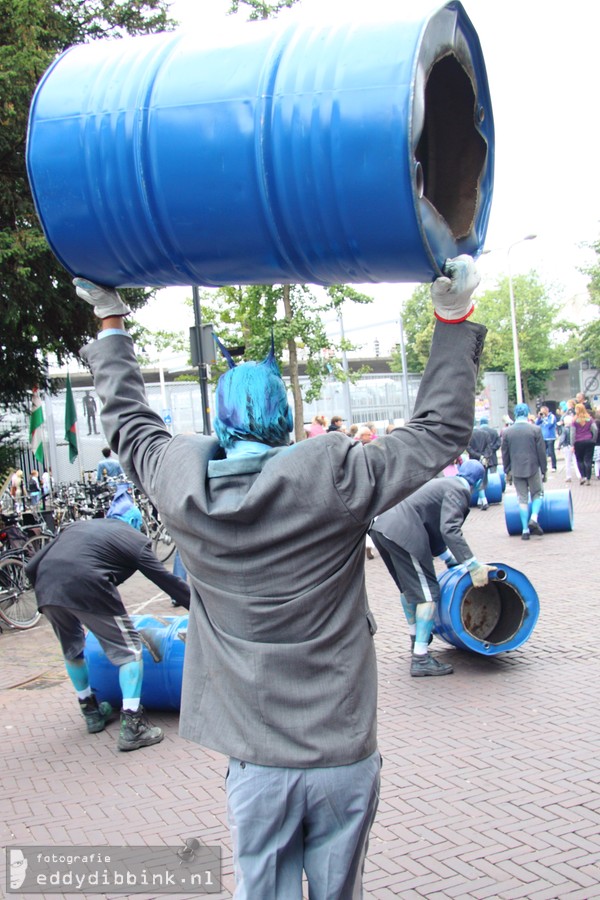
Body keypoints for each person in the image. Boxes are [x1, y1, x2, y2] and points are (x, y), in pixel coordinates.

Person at [73, 254, 486, 897]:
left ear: (222, 422)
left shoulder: (178, 486)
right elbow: (439, 431)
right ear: (284, 422)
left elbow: (128, 424)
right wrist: (452, 317)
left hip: (256, 758)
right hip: (342, 749)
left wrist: (110, 319)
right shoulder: (336, 476)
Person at [25, 518, 190, 750]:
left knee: (72, 649)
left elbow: (30, 566)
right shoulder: (138, 542)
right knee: (130, 649)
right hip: (88, 583)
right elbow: (167, 581)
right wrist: (199, 608)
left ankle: (91, 711)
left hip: (46, 585)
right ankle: (133, 726)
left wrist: (47, 593)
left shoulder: (77, 527)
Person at [370, 461, 495, 677]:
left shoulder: (443, 484)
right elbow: (450, 530)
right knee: (428, 594)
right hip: (404, 532)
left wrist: (449, 560)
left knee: (409, 590)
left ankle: (415, 638)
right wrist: (472, 565)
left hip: (381, 528)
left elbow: (436, 533)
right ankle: (421, 658)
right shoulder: (460, 490)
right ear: (479, 483)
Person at [501, 402, 547, 540]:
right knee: (538, 493)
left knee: (522, 498)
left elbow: (505, 453)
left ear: (515, 414)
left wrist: (507, 469)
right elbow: (541, 452)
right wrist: (543, 469)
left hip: (516, 469)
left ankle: (525, 530)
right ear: (527, 413)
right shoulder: (535, 429)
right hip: (533, 467)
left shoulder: (507, 432)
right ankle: (533, 518)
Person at [569, 403, 598, 485]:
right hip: (589, 441)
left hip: (578, 442)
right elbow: (595, 429)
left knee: (579, 460)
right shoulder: (589, 419)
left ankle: (583, 477)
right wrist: (593, 439)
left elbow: (572, 433)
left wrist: (572, 444)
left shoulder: (574, 420)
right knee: (588, 460)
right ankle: (588, 479)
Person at [535, 405, 558, 472]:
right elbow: (536, 423)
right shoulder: (541, 417)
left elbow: (550, 424)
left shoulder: (551, 416)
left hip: (550, 437)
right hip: (543, 437)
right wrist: (539, 418)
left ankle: (554, 466)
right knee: (543, 453)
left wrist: (545, 418)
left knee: (551, 452)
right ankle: (544, 466)